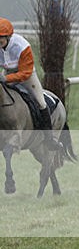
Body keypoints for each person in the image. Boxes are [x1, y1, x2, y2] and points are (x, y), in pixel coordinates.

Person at [0, 18, 62, 150]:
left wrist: (5, 78)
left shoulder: (22, 46)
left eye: (1, 38)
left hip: (26, 75)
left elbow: (25, 73)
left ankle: (49, 139)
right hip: (7, 72)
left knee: (41, 102)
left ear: (8, 37)